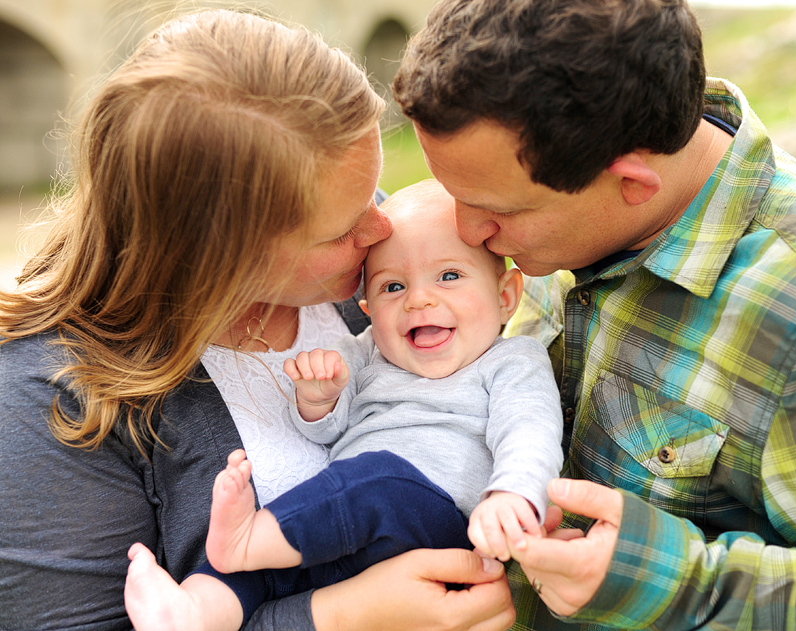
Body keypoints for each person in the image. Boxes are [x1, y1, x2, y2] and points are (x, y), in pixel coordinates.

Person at [0, 10, 517, 631]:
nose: (381, 227)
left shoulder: (378, 265)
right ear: (216, 255)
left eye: (371, 192)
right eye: (340, 228)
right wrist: (343, 616)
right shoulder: (51, 396)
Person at [392, 0, 796, 629]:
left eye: (497, 208)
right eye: (455, 195)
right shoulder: (572, 202)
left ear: (632, 183)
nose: (468, 231)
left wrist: (666, 580)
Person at [123, 179, 564, 631]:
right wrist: (319, 400)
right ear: (368, 307)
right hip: (348, 533)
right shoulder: (368, 349)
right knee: (254, 572)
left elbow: (530, 432)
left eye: (449, 276)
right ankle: (193, 612)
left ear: (506, 296)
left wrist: (512, 494)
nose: (419, 299)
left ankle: (250, 537)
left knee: (377, 479)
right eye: (393, 287)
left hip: (436, 519)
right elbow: (326, 432)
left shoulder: (510, 360)